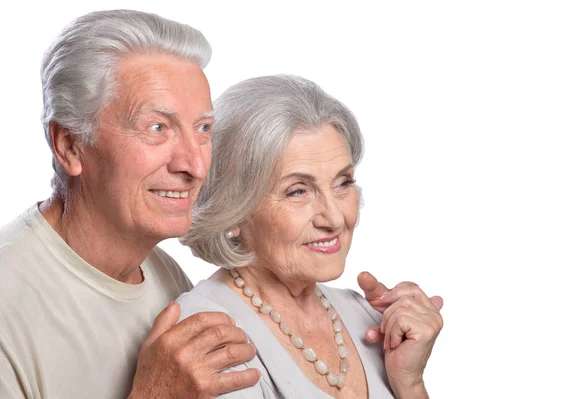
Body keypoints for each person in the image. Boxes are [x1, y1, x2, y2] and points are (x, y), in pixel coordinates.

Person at [0, 10, 260, 398]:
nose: (196, 164)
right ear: (70, 146)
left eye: (203, 129)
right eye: (157, 128)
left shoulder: (166, 276)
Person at [178, 75, 444, 398]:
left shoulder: (365, 317)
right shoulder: (210, 338)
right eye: (298, 191)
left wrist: (410, 383)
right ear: (233, 211)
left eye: (343, 182)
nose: (334, 218)